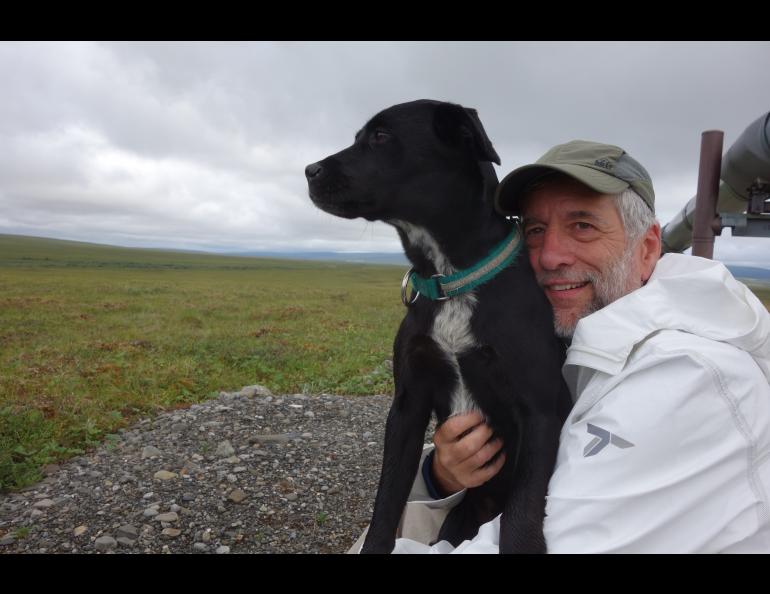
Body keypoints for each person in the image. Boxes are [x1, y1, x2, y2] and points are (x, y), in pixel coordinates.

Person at [349, 140, 770, 553]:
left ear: (646, 249)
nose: (550, 256)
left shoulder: (688, 377)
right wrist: (444, 475)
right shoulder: (577, 340)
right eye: (534, 230)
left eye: (582, 226)